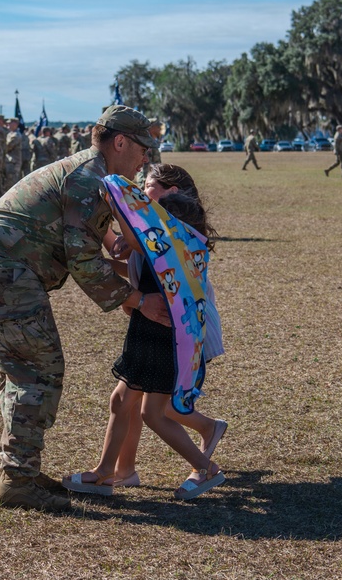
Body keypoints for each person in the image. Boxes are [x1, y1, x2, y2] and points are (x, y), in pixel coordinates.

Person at [0, 105, 169, 512]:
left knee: (21, 368)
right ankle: (17, 480)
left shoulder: (97, 175)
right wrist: (137, 301)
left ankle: (21, 472)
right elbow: (83, 261)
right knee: (39, 369)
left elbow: (90, 241)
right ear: (120, 142)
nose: (146, 159)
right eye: (143, 148)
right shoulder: (90, 177)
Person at [63, 163, 226, 500]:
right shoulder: (160, 228)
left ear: (172, 193)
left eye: (147, 185)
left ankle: (206, 467)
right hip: (148, 327)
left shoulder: (176, 229)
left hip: (167, 332)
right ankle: (109, 471)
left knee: (154, 413)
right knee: (123, 400)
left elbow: (139, 240)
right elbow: (131, 252)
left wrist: (111, 193)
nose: (140, 190)